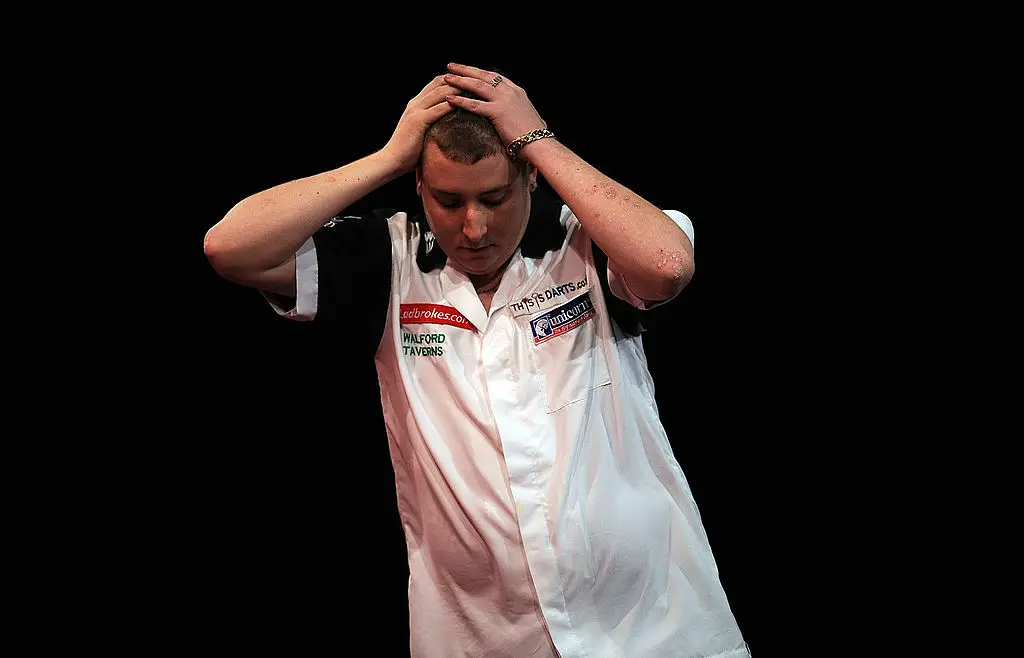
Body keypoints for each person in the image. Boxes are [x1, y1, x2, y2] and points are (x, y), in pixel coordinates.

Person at [205, 62, 750, 658]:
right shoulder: (390, 259)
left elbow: (668, 265)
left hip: (657, 627)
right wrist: (388, 158)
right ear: (419, 186)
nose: (474, 227)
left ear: (531, 177)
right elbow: (229, 248)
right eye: (449, 200)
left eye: (494, 197)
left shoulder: (585, 241)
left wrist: (540, 141)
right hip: (482, 640)